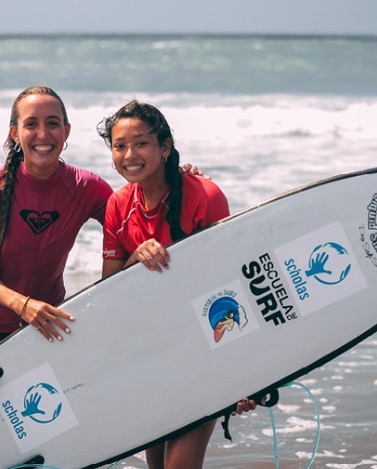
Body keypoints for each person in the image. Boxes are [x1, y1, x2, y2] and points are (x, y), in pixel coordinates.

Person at [97, 100, 257, 469]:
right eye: (119, 146)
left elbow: (232, 290)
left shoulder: (204, 196)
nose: (129, 154)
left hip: (204, 349)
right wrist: (137, 258)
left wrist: (245, 374)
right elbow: (109, 290)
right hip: (153, 349)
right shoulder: (118, 205)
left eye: (140, 143)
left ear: (164, 147)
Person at [0, 85, 114, 372]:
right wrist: (23, 305)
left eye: (52, 124)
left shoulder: (86, 188)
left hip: (46, 326)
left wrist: (180, 179)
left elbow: (136, 220)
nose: (43, 134)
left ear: (66, 131)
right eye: (31, 124)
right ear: (15, 133)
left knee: (52, 416)